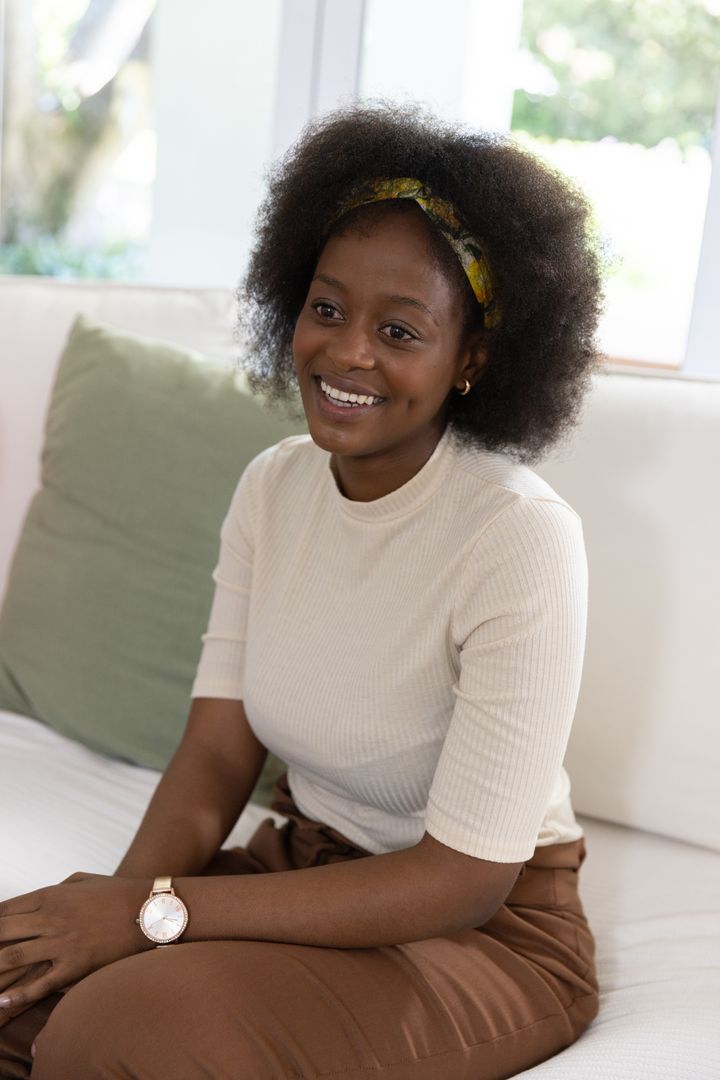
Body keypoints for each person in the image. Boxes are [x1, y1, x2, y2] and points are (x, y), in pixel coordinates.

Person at [0, 103, 603, 1079]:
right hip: (307, 869)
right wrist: (104, 920)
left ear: (473, 361)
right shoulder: (273, 485)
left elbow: (464, 880)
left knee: (122, 1033)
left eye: (400, 329)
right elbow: (215, 754)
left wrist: (153, 915)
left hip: (479, 934)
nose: (348, 352)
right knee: (25, 994)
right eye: (327, 309)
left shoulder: (518, 537)